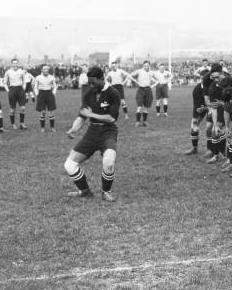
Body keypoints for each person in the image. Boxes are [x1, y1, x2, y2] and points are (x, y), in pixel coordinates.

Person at [64, 66, 121, 202]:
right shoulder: (89, 93)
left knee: (109, 162)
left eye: (94, 82)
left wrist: (91, 114)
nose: (91, 85)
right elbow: (82, 116)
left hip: (108, 132)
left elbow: (112, 118)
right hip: (92, 132)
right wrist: (73, 129)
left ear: (102, 79)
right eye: (89, 82)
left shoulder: (113, 93)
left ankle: (106, 192)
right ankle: (85, 191)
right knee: (69, 165)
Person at [183, 70, 210, 155]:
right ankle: (194, 148)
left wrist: (207, 108)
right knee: (194, 126)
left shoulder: (213, 87)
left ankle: (211, 150)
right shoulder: (197, 89)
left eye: (204, 78)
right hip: (202, 108)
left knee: (209, 128)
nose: (202, 80)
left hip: (214, 109)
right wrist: (196, 119)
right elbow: (196, 106)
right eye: (201, 78)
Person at [126, 61, 158, 127]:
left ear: (149, 66)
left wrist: (153, 85)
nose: (146, 66)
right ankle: (137, 122)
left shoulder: (151, 72)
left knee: (146, 107)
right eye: (145, 65)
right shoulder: (139, 71)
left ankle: (144, 122)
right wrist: (135, 81)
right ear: (143, 66)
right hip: (141, 90)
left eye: (147, 65)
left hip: (148, 90)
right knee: (139, 107)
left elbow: (158, 80)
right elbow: (129, 75)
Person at [4, 58, 28, 130]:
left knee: (23, 108)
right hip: (12, 90)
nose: (15, 64)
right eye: (13, 63)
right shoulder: (8, 72)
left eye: (16, 63)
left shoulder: (21, 71)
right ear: (11, 64)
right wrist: (8, 90)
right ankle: (13, 124)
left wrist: (23, 88)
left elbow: (24, 81)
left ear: (18, 64)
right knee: (12, 109)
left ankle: (22, 123)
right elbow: (5, 83)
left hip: (20, 90)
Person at [34, 65, 58, 132]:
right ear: (41, 70)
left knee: (51, 112)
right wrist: (37, 94)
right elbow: (35, 87)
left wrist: (53, 92)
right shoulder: (38, 77)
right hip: (41, 94)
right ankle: (42, 128)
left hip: (49, 94)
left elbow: (55, 86)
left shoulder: (52, 77)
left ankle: (52, 127)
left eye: (47, 69)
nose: (46, 70)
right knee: (43, 112)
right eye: (44, 69)